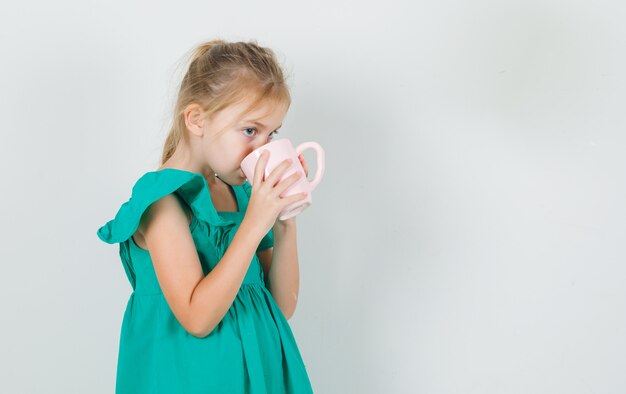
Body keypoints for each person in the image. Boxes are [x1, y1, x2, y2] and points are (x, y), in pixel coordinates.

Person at [96, 39, 314, 393]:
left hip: (258, 374)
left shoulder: (241, 194)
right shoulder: (162, 203)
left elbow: (282, 306)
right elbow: (197, 318)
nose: (263, 148)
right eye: (249, 130)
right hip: (193, 379)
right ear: (197, 120)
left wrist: (285, 220)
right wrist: (255, 224)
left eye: (272, 133)